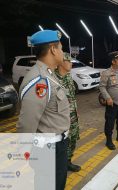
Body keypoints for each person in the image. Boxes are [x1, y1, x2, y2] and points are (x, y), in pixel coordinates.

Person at [17, 30, 70, 190]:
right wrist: (27, 152)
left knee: (57, 184)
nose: (62, 52)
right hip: (48, 150)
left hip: (56, 146)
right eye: (60, 48)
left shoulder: (48, 74)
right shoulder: (39, 80)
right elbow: (27, 123)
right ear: (53, 49)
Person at [55, 52, 81, 172]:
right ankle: (60, 165)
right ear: (61, 62)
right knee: (61, 144)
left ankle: (68, 162)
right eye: (69, 61)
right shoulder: (53, 79)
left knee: (72, 140)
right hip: (61, 120)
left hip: (73, 117)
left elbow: (72, 97)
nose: (71, 63)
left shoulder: (69, 76)